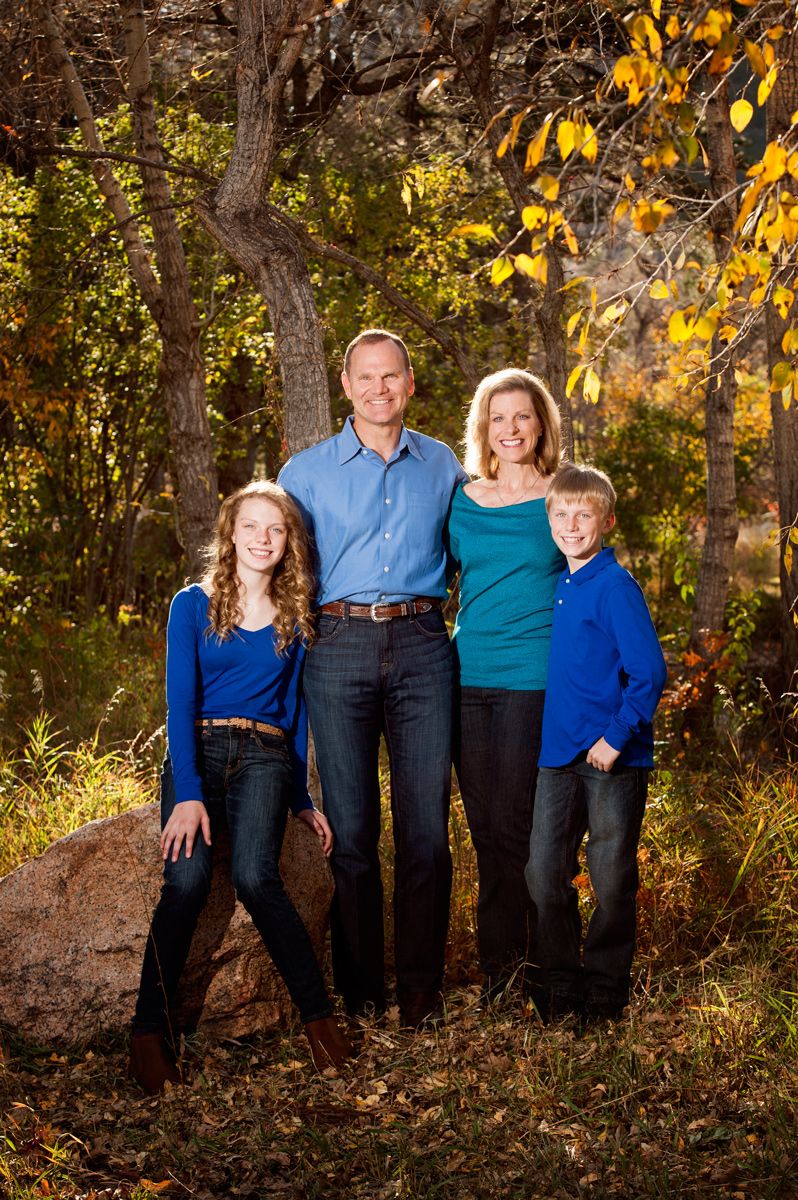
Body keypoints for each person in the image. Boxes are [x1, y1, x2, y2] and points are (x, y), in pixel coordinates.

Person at [130, 480, 352, 1095]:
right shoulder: (191, 604)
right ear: (230, 532)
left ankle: (319, 1021)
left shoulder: (296, 615)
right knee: (188, 879)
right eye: (251, 526)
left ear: (288, 544)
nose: (262, 538)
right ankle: (147, 1034)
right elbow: (179, 703)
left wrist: (302, 800)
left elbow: (298, 713)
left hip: (264, 755)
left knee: (257, 877)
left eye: (275, 530)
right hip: (198, 747)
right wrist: (189, 792)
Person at [278, 329, 467, 1028]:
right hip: (339, 644)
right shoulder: (305, 472)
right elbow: (279, 565)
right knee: (352, 832)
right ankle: (360, 994)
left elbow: (470, 552)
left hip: (423, 643)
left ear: (410, 385)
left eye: (392, 377)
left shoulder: (444, 465)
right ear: (346, 384)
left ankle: (420, 993)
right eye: (366, 377)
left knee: (426, 831)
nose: (379, 388)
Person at [524, 463, 667, 1022]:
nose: (571, 523)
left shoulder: (614, 585)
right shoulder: (561, 583)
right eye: (560, 513)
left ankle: (605, 992)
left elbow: (648, 672)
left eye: (583, 514)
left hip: (612, 757)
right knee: (542, 871)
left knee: (610, 876)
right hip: (557, 755)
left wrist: (615, 736)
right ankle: (559, 986)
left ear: (606, 519)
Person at [447, 368, 564, 1000]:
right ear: (483, 428)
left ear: (540, 423)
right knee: (485, 829)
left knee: (520, 828)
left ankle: (543, 970)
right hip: (466, 679)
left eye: (521, 416)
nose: (510, 428)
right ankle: (502, 970)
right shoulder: (463, 498)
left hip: (532, 678)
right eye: (498, 417)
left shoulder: (561, 494)